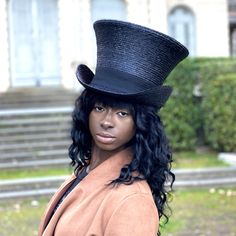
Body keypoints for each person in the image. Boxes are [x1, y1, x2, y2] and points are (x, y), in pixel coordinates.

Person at [38, 19, 189, 236]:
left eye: (122, 113)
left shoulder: (131, 200)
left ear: (140, 124)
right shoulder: (84, 174)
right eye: (99, 108)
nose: (107, 121)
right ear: (86, 112)